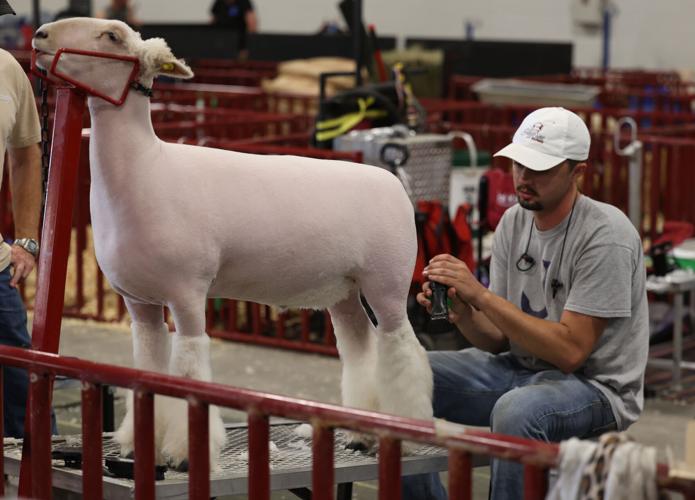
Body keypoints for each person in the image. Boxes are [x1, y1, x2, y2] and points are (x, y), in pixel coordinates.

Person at [404, 107, 649, 499]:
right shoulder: (513, 222)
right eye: (519, 164)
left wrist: (481, 294)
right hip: (519, 368)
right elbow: (500, 338)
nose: (523, 177)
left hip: (594, 387)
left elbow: (571, 352)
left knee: (517, 411)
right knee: (404, 373)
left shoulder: (606, 236)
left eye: (540, 168)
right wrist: (464, 312)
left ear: (577, 172)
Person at [0, 0, 57, 438]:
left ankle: (42, 473)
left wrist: (27, 241)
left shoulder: (7, 72)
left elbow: (25, 153)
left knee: (23, 376)